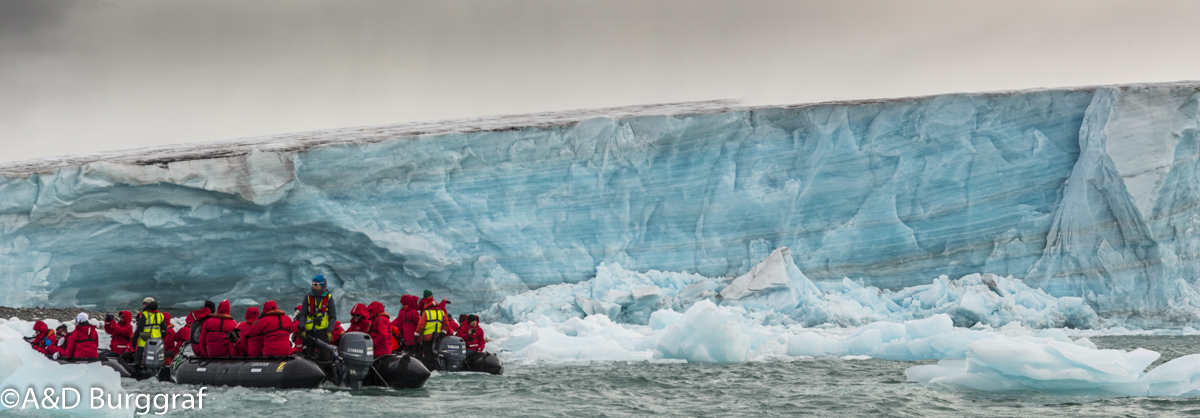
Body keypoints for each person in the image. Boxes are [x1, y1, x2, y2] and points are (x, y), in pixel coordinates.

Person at [298, 275, 337, 356]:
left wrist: (330, 331)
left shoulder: (329, 298)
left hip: (322, 332)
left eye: (315, 284)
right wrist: (302, 329)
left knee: (324, 355)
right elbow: (303, 314)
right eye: (312, 284)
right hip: (308, 332)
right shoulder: (308, 297)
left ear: (321, 285)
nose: (313, 286)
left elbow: (333, 317)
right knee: (307, 355)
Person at [128, 299, 165, 365]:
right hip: (157, 340)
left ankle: (136, 370)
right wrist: (162, 336)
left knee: (139, 359)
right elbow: (164, 328)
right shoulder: (161, 315)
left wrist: (134, 341)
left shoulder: (145, 314)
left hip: (145, 339)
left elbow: (139, 329)